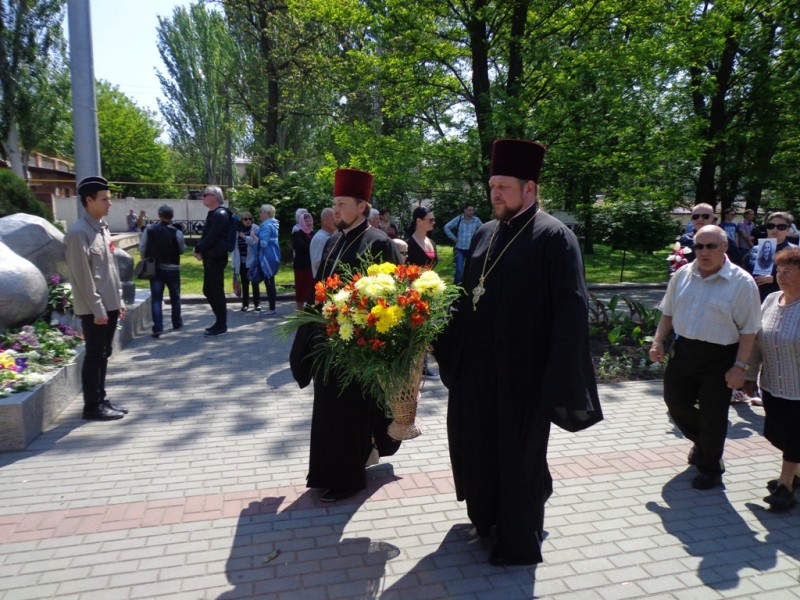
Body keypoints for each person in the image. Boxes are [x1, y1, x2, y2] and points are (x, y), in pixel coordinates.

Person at [434, 140, 602, 566]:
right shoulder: (489, 232)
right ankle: (487, 517)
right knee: (478, 445)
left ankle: (519, 543)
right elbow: (468, 295)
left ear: (530, 188)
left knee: (518, 458)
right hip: (478, 369)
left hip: (525, 376)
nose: (495, 194)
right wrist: (435, 331)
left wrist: (556, 380)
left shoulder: (555, 237)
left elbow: (571, 311)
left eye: (504, 187)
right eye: (492, 185)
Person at [290, 168, 403, 503]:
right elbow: (320, 289)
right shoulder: (335, 241)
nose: (335, 209)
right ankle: (328, 474)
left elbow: (391, 295)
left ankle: (349, 479)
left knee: (350, 413)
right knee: (328, 411)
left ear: (362, 206)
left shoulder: (378, 242)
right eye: (334, 203)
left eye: (342, 203)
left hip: (358, 347)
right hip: (328, 342)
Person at [649, 225, 761, 490]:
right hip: (685, 351)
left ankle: (711, 467)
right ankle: (704, 443)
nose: (704, 251)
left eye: (711, 246)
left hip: (720, 356)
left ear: (724, 247)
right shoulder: (683, 274)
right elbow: (668, 312)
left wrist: (740, 367)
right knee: (675, 402)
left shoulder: (741, 282)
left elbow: (749, 330)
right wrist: (657, 341)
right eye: (699, 246)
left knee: (713, 415)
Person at [64, 176, 128, 421]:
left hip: (109, 304)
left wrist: (119, 300)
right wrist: (98, 308)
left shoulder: (101, 228)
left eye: (109, 199)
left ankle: (101, 398)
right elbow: (83, 277)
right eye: (104, 199)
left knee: (104, 353)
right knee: (95, 354)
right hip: (94, 308)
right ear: (88, 200)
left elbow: (110, 270)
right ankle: (92, 406)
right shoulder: (78, 233)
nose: (109, 203)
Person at [743, 247, 800, 510]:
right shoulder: (770, 301)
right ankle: (796, 474)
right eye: (779, 269)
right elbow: (756, 342)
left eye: (789, 270)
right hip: (773, 386)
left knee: (794, 438)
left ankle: (785, 486)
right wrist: (749, 375)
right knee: (777, 435)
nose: (781, 275)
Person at [138, 204, 185, 338]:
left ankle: (157, 327)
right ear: (172, 217)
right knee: (175, 298)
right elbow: (182, 249)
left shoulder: (149, 230)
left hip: (156, 269)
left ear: (159, 215)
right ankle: (176, 323)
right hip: (173, 269)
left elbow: (142, 247)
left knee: (156, 299)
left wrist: (145, 260)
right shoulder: (177, 232)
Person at [194, 186, 231, 336]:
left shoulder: (220, 214)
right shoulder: (213, 214)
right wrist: (200, 249)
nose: (203, 197)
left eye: (205, 195)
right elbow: (207, 235)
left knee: (215, 290)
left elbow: (212, 236)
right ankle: (219, 321)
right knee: (208, 290)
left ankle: (221, 324)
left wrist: (198, 248)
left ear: (215, 197)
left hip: (216, 258)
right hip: (210, 257)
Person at [744, 212, 797, 301]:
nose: (775, 230)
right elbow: (744, 272)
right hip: (752, 300)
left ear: (788, 230)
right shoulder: (754, 250)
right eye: (771, 226)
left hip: (781, 301)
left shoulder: (795, 252)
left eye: (781, 227)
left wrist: (775, 279)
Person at [252, 204, 280, 316]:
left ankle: (272, 309)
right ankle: (271, 308)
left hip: (267, 257)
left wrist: (254, 236)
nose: (259, 214)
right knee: (270, 281)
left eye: (261, 211)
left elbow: (263, 243)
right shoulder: (273, 224)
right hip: (273, 255)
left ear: (266, 213)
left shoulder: (266, 225)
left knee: (269, 282)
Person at [443, 204, 482, 284]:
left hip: (471, 249)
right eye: (470, 210)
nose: (472, 212)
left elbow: (484, 230)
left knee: (470, 269)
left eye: (472, 210)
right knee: (459, 270)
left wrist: (479, 240)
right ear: (465, 210)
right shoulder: (459, 219)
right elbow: (446, 227)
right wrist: (453, 238)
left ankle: (466, 286)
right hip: (460, 249)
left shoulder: (476, 220)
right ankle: (455, 288)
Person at [233, 211, 260, 312]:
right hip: (241, 262)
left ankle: (257, 304)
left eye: (250, 219)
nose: (248, 221)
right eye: (245, 219)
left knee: (255, 282)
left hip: (252, 261)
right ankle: (245, 304)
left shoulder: (255, 228)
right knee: (244, 284)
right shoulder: (237, 230)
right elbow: (235, 247)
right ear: (241, 220)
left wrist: (243, 236)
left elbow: (254, 242)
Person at [292, 211, 315, 310]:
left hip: (311, 266)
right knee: (301, 289)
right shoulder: (297, 234)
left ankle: (310, 310)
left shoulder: (314, 233)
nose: (309, 223)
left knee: (311, 289)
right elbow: (303, 247)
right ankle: (300, 312)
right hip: (301, 266)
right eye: (306, 221)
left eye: (310, 221)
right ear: (302, 222)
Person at [309, 207, 335, 277]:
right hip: (322, 280)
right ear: (325, 220)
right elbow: (317, 262)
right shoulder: (320, 238)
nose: (336, 222)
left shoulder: (327, 236)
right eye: (333, 219)